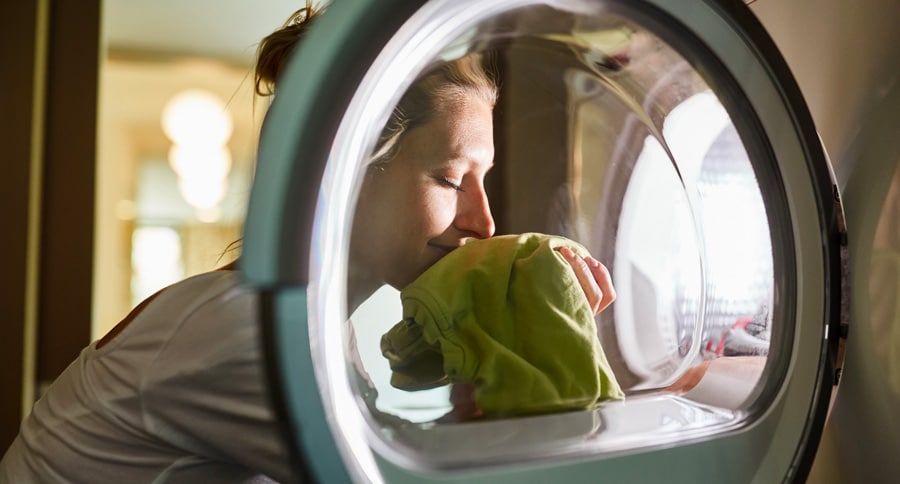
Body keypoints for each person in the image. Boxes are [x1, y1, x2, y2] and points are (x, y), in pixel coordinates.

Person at [0, 3, 615, 483]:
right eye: (453, 179)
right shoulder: (250, 331)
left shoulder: (303, 325)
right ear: (343, 170)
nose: (484, 221)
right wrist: (543, 344)